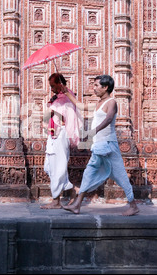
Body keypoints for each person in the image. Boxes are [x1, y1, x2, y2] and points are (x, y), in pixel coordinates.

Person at [60, 75, 139, 216]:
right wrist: (66, 92)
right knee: (90, 173)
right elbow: (81, 106)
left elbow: (109, 118)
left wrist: (92, 131)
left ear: (106, 87)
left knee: (119, 175)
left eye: (97, 85)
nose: (94, 88)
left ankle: (132, 205)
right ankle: (77, 205)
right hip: (100, 145)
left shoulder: (111, 102)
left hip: (108, 144)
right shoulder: (98, 103)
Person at [41, 73, 82, 209]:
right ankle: (73, 190)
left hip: (60, 135)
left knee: (57, 167)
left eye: (53, 86)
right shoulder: (60, 98)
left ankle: (56, 201)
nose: (51, 89)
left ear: (60, 83)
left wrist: (53, 110)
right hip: (54, 135)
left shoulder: (66, 98)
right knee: (49, 166)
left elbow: (61, 118)